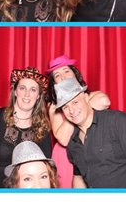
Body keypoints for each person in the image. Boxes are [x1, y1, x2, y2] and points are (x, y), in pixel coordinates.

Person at [54, 78, 126, 188]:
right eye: (65, 107)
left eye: (75, 102)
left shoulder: (118, 121)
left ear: (86, 98)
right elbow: (79, 176)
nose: (71, 110)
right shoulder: (73, 142)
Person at [45, 54, 111, 188]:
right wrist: (76, 111)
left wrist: (74, 108)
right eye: (57, 75)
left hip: (93, 151)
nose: (63, 77)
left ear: (75, 74)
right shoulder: (53, 106)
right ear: (54, 83)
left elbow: (104, 101)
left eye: (66, 71)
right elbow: (63, 139)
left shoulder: (87, 94)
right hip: (65, 157)